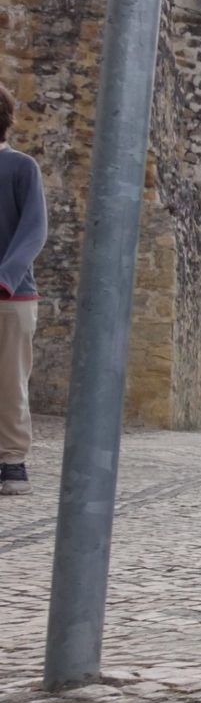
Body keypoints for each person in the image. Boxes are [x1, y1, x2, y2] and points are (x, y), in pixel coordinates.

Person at [0, 84, 45, 497]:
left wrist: (5, 277)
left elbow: (34, 231)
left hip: (10, 299)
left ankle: (12, 461)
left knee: (10, 381)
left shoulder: (21, 167)